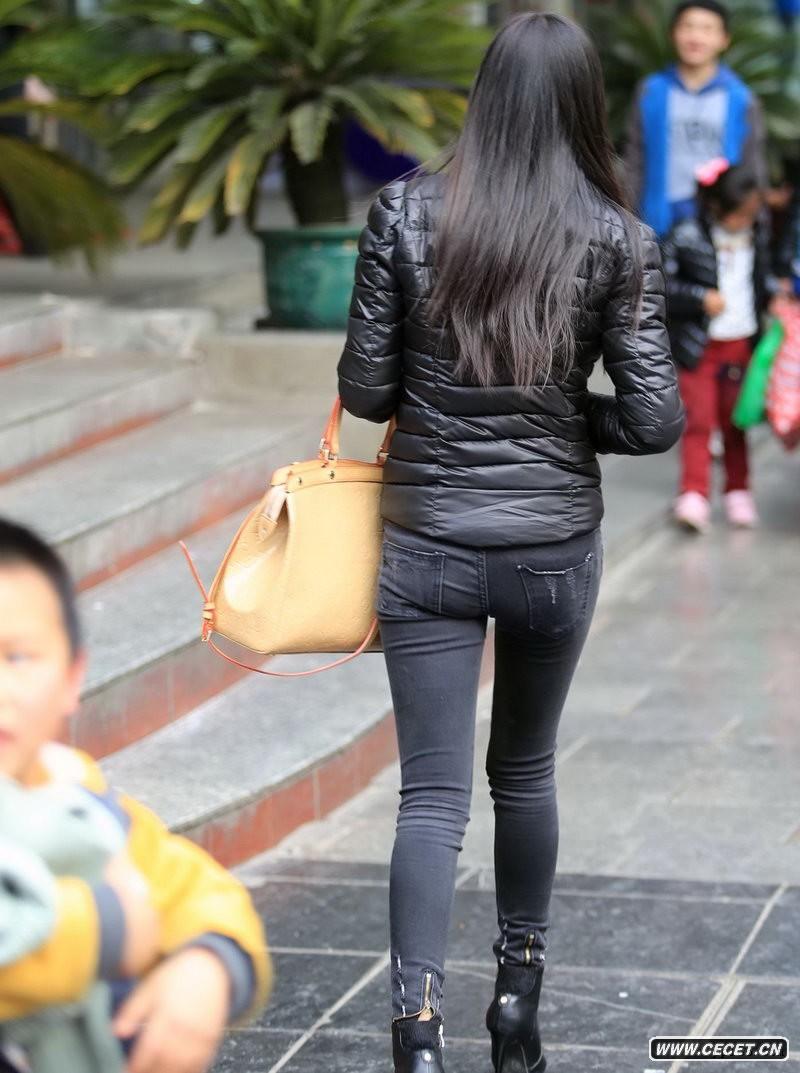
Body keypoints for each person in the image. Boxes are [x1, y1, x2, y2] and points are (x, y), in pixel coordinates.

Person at [337, 13, 684, 1073]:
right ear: (582, 104)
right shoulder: (619, 239)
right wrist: (562, 420)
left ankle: (416, 1035)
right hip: (550, 547)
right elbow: (654, 420)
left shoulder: (402, 211)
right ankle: (515, 1006)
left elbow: (366, 392)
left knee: (429, 796)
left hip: (427, 540)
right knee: (524, 771)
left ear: (483, 97)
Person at [0, 517, 272, 1073]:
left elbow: (195, 889)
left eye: (17, 657)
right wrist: (109, 925)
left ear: (72, 678)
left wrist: (208, 964)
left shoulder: (77, 799)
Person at [662, 159, 773, 532]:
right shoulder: (686, 235)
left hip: (741, 343)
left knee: (736, 422)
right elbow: (660, 284)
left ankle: (738, 491)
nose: (747, 221)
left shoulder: (757, 234)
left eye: (752, 214)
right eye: (741, 215)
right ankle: (694, 493)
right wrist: (699, 297)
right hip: (700, 346)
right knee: (699, 420)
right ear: (717, 207)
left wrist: (776, 297)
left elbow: (761, 279)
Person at [625, 0, 767, 238]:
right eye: (687, 26)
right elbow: (634, 159)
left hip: (719, 225)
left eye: (707, 29)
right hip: (656, 223)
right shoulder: (651, 91)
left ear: (724, 39)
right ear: (672, 33)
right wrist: (627, 218)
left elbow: (753, 166)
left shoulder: (742, 98)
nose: (695, 37)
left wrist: (752, 223)